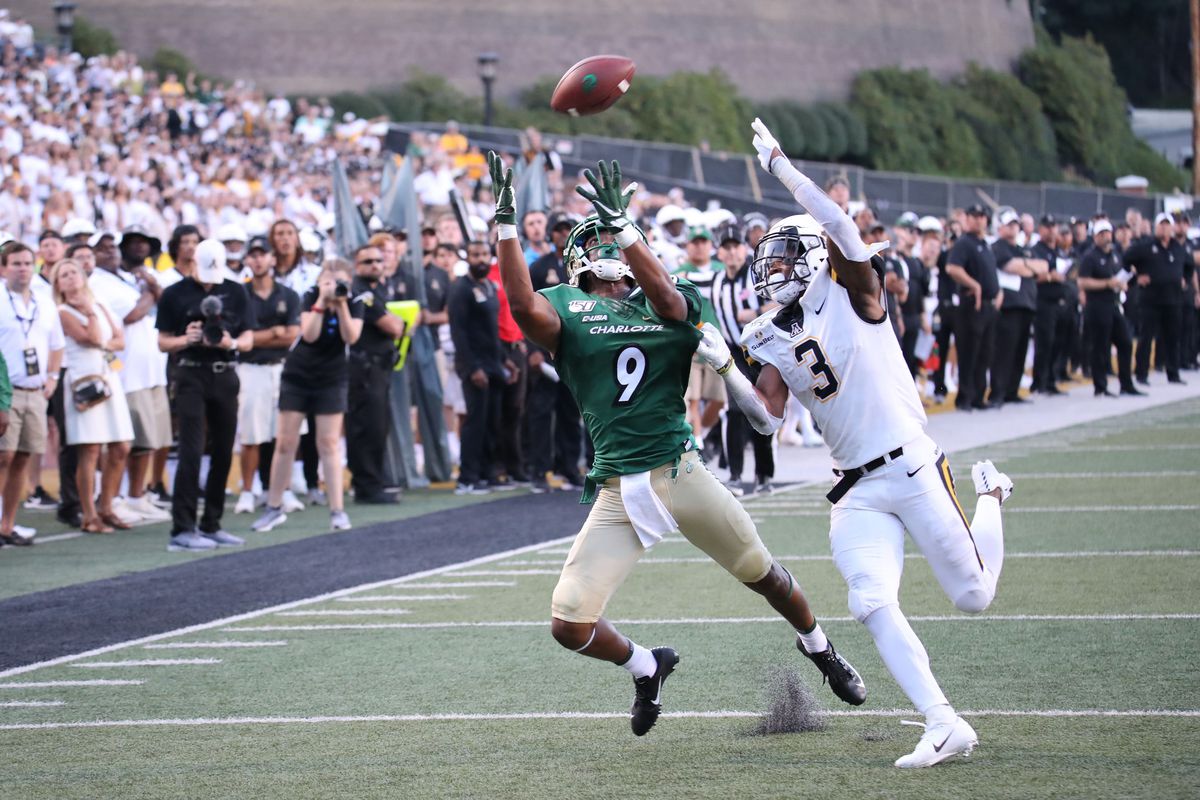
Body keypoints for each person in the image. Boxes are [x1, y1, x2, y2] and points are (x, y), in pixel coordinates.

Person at [489, 151, 866, 739]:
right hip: (619, 485)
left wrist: (629, 230)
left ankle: (820, 648)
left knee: (762, 572)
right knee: (568, 621)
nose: (610, 248)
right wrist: (507, 229)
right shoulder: (566, 308)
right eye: (603, 237)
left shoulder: (671, 294)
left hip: (680, 471)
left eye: (615, 235)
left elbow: (667, 301)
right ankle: (646, 666)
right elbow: (519, 305)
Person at [694, 119, 1013, 768]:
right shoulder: (770, 335)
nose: (770, 272)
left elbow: (839, 224)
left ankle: (992, 493)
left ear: (813, 260)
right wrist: (725, 370)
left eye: (781, 260)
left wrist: (784, 167)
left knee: (974, 597)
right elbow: (766, 419)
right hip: (855, 487)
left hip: (912, 464)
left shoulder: (856, 291)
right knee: (869, 601)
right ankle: (943, 721)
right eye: (767, 263)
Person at [156, 239, 253, 552]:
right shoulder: (174, 293)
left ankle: (212, 523)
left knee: (224, 449)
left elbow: (248, 338)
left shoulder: (236, 291)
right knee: (191, 449)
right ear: (191, 263)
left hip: (225, 372)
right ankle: (183, 527)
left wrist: (230, 342)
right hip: (190, 371)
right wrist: (188, 338)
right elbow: (163, 342)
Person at [253, 259, 362, 533]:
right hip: (299, 375)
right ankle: (274, 507)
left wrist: (342, 304)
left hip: (332, 377)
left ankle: (337, 510)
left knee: (328, 442)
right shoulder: (309, 298)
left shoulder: (355, 301)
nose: (333, 286)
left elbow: (351, 337)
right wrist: (322, 303)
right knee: (286, 442)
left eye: (339, 281)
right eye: (328, 280)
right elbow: (310, 335)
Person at [51, 258, 135, 533]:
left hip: (108, 378)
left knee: (121, 445)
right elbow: (91, 338)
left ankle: (107, 506)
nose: (71, 278)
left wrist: (93, 317)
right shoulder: (63, 312)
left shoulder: (98, 304)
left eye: (74, 272)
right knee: (89, 449)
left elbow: (119, 340)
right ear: (58, 284)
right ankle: (89, 514)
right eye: (64, 275)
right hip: (83, 381)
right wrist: (90, 317)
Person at [0, 243, 64, 545]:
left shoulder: (45, 302)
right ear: (3, 268)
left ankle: (7, 524)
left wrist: (52, 377)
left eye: (27, 263)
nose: (23, 268)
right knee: (3, 456)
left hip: (35, 390)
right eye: (16, 263)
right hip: (6, 391)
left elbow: (56, 344)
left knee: (23, 457)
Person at [233, 236, 300, 514]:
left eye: (263, 254)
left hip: (281, 367)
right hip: (250, 368)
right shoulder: (239, 295)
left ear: (272, 259)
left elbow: (293, 335)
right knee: (251, 434)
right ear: (247, 260)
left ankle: (282, 490)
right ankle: (248, 491)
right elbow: (240, 338)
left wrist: (259, 336)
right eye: (254, 255)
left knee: (285, 434)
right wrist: (274, 333)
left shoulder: (288, 295)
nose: (258, 260)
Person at [708, 221, 774, 496]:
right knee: (735, 412)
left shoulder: (756, 274)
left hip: (761, 351)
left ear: (743, 249)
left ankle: (764, 475)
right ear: (720, 253)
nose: (732, 252)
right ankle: (735, 474)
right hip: (734, 352)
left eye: (736, 246)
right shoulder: (717, 282)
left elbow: (779, 301)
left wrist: (755, 310)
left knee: (763, 412)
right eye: (727, 247)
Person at [448, 241, 510, 495]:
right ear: (468, 258)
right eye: (476, 255)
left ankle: (486, 473)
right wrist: (473, 367)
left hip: (494, 363)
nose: (481, 259)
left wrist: (504, 359)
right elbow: (458, 332)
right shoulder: (460, 289)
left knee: (492, 421)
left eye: (485, 254)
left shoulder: (489, 286)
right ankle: (467, 478)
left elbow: (492, 330)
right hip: (474, 366)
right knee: (474, 422)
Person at [346, 242, 406, 503]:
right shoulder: (361, 292)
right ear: (357, 267)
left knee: (378, 425)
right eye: (368, 262)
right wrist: (400, 323)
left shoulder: (378, 289)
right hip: (364, 368)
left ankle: (375, 480)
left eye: (378, 261)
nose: (374, 266)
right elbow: (394, 327)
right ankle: (367, 485)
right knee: (367, 427)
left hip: (379, 365)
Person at [945, 205, 1001, 410]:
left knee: (985, 352)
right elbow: (952, 268)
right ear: (967, 219)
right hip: (971, 304)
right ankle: (965, 398)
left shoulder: (985, 244)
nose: (979, 220)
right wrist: (974, 284)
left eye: (982, 217)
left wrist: (998, 292)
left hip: (988, 305)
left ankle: (978, 396)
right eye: (974, 217)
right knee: (969, 351)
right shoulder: (964, 243)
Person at [1077, 220, 1142, 397]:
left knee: (1126, 342)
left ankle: (1126, 383)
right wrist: (1107, 283)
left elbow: (1118, 275)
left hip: (1113, 304)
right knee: (1100, 346)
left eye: (1107, 232)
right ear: (1095, 236)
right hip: (1097, 306)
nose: (1106, 236)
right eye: (1102, 233)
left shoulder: (1114, 255)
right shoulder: (1089, 256)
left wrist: (1124, 282)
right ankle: (1100, 386)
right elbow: (1082, 281)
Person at [1125, 213, 1187, 386]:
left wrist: (1184, 279)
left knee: (1173, 337)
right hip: (1150, 300)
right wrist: (1136, 278)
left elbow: (1188, 266)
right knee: (1146, 337)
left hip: (1173, 300)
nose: (1165, 228)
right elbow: (1126, 259)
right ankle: (1141, 374)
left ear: (1172, 228)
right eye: (1161, 225)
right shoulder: (1146, 246)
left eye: (1168, 225)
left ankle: (1173, 373)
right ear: (1156, 227)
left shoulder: (1178, 247)